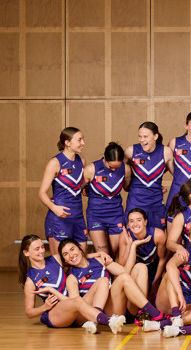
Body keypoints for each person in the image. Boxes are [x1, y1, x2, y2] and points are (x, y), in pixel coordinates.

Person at [18, 234, 125, 334]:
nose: (41, 251)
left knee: (102, 281)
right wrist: (45, 307)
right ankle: (109, 321)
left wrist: (99, 254)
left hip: (73, 306)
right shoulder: (30, 281)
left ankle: (95, 320)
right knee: (77, 301)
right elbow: (29, 312)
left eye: (42, 247)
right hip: (55, 313)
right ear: (26, 253)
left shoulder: (55, 259)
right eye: (37, 249)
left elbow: (75, 256)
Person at [58, 238, 170, 326]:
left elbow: (125, 271)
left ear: (80, 248)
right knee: (118, 279)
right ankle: (155, 314)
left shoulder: (99, 260)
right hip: (105, 314)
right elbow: (76, 307)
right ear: (65, 260)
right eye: (66, 254)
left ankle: (141, 314)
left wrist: (132, 247)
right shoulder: (72, 278)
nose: (71, 255)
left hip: (120, 306)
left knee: (140, 267)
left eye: (72, 249)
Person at [144, 223, 191, 331]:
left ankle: (162, 325)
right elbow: (170, 266)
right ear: (189, 239)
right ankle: (175, 314)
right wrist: (179, 294)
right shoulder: (184, 254)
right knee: (170, 273)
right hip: (169, 301)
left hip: (186, 305)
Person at [39, 127, 87, 255]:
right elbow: (42, 193)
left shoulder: (81, 161)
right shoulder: (55, 163)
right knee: (60, 261)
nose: (83, 143)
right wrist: (54, 208)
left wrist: (85, 189)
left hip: (78, 217)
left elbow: (77, 186)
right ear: (67, 142)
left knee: (81, 259)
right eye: (79, 140)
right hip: (59, 218)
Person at [124, 121, 174, 231]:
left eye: (145, 136)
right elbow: (120, 174)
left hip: (156, 204)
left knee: (158, 239)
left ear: (155, 136)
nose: (142, 140)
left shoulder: (166, 152)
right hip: (135, 203)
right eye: (140, 136)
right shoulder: (130, 151)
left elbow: (178, 176)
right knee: (132, 239)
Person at [83, 142, 130, 257]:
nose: (114, 170)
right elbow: (74, 188)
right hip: (96, 216)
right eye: (110, 167)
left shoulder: (126, 169)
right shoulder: (91, 169)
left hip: (116, 215)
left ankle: (111, 276)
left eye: (117, 167)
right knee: (104, 256)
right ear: (104, 157)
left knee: (113, 256)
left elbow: (128, 187)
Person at [117, 208, 167, 301]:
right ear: (128, 224)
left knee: (157, 301)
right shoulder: (124, 236)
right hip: (135, 273)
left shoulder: (158, 235)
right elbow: (122, 265)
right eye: (131, 221)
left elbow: (162, 260)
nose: (135, 224)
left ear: (145, 222)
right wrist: (129, 246)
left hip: (153, 273)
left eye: (138, 220)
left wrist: (155, 283)